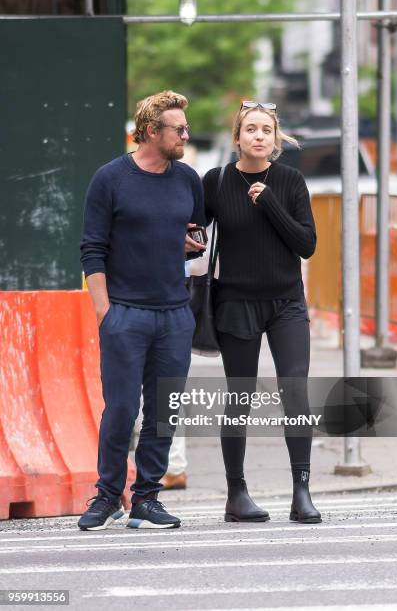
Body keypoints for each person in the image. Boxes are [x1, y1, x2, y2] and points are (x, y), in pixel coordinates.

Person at [78, 90, 206, 530]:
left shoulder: (188, 179)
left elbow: (193, 237)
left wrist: (190, 246)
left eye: (185, 128)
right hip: (125, 314)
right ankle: (108, 495)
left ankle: (147, 499)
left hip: (174, 313)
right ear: (151, 132)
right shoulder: (110, 179)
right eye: (178, 129)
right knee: (120, 410)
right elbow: (92, 250)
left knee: (164, 410)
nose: (185, 134)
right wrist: (105, 313)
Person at [202, 101, 321, 524]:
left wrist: (269, 202)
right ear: (237, 138)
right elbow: (194, 231)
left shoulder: (289, 182)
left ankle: (302, 490)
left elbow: (306, 245)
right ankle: (236, 493)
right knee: (239, 397)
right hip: (235, 303)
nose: (258, 136)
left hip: (286, 302)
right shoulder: (215, 182)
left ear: (275, 139)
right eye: (250, 129)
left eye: (266, 130)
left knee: (295, 390)